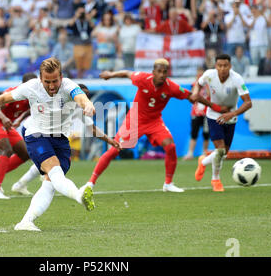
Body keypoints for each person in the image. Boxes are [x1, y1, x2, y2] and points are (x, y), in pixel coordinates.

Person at [0, 57, 96, 231]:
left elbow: (81, 97)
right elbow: (3, 98)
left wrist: (88, 105)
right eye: (47, 82)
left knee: (50, 183)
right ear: (40, 78)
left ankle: (25, 221)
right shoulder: (31, 86)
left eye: (55, 81)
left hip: (60, 140)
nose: (51, 86)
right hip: (37, 135)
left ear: (61, 76)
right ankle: (79, 194)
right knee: (55, 172)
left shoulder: (68, 86)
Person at [87, 59, 227, 192]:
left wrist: (215, 107)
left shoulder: (171, 87)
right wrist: (110, 75)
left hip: (154, 121)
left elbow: (192, 97)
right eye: (159, 71)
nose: (161, 75)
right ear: (153, 72)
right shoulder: (142, 79)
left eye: (164, 72)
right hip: (135, 120)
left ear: (167, 73)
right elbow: (126, 73)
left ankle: (168, 184)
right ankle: (90, 183)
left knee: (170, 146)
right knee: (114, 150)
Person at [193, 53, 252, 192]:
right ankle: (216, 180)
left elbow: (248, 102)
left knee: (223, 153)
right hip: (213, 116)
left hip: (231, 117)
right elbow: (198, 84)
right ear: (216, 66)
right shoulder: (209, 74)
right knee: (219, 150)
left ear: (230, 66)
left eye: (225, 65)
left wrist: (232, 113)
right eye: (220, 65)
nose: (223, 68)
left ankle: (203, 161)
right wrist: (195, 92)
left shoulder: (236, 78)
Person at [0, 73, 36, 199]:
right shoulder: (14, 93)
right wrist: (4, 118)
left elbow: (30, 110)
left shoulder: (32, 96)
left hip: (6, 124)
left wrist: (19, 119)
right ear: (24, 85)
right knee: (6, 149)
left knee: (25, 153)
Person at [183, 67, 210, 161]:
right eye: (198, 72)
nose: (200, 74)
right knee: (194, 133)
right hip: (196, 113)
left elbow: (210, 95)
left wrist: (206, 84)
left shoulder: (208, 85)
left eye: (201, 72)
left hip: (207, 113)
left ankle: (205, 153)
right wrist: (198, 82)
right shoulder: (194, 84)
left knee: (206, 134)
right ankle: (190, 153)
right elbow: (192, 96)